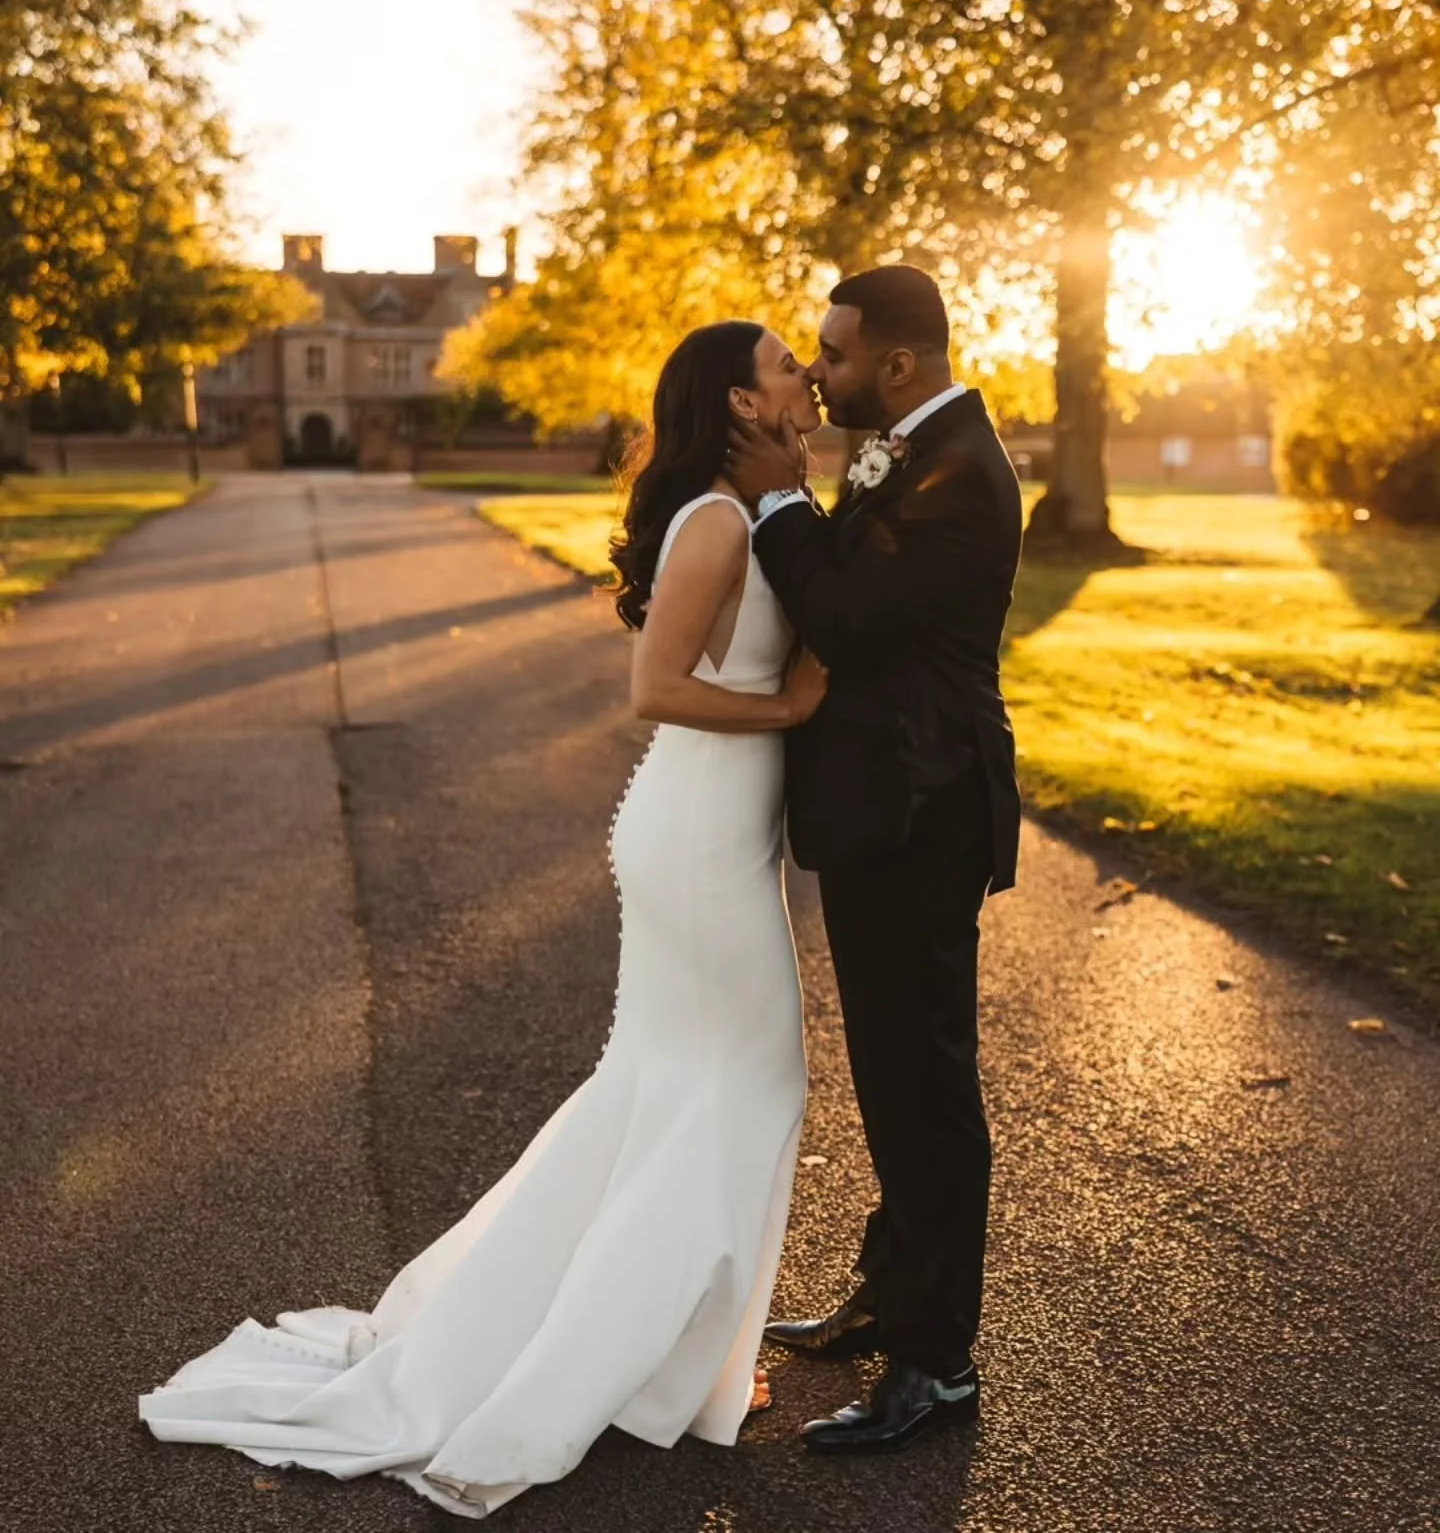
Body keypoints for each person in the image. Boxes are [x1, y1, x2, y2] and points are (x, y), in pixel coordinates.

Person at [138, 320, 827, 1519]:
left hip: (719, 830)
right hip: (697, 833)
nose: (807, 379)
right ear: (738, 403)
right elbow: (654, 687)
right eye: (786, 367)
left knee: (663, 1094)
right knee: (750, 1085)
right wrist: (800, 707)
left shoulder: (754, 511)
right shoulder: (715, 520)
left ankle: (671, 1359)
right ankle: (623, 1365)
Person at [728, 263, 1023, 1456]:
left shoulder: (961, 476)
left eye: (834, 355)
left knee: (926, 1086)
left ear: (896, 365)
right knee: (894, 1072)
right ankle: (887, 1297)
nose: (819, 368)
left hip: (923, 809)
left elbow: (846, 618)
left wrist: (779, 501)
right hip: (885, 808)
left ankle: (937, 1361)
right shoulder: (910, 445)